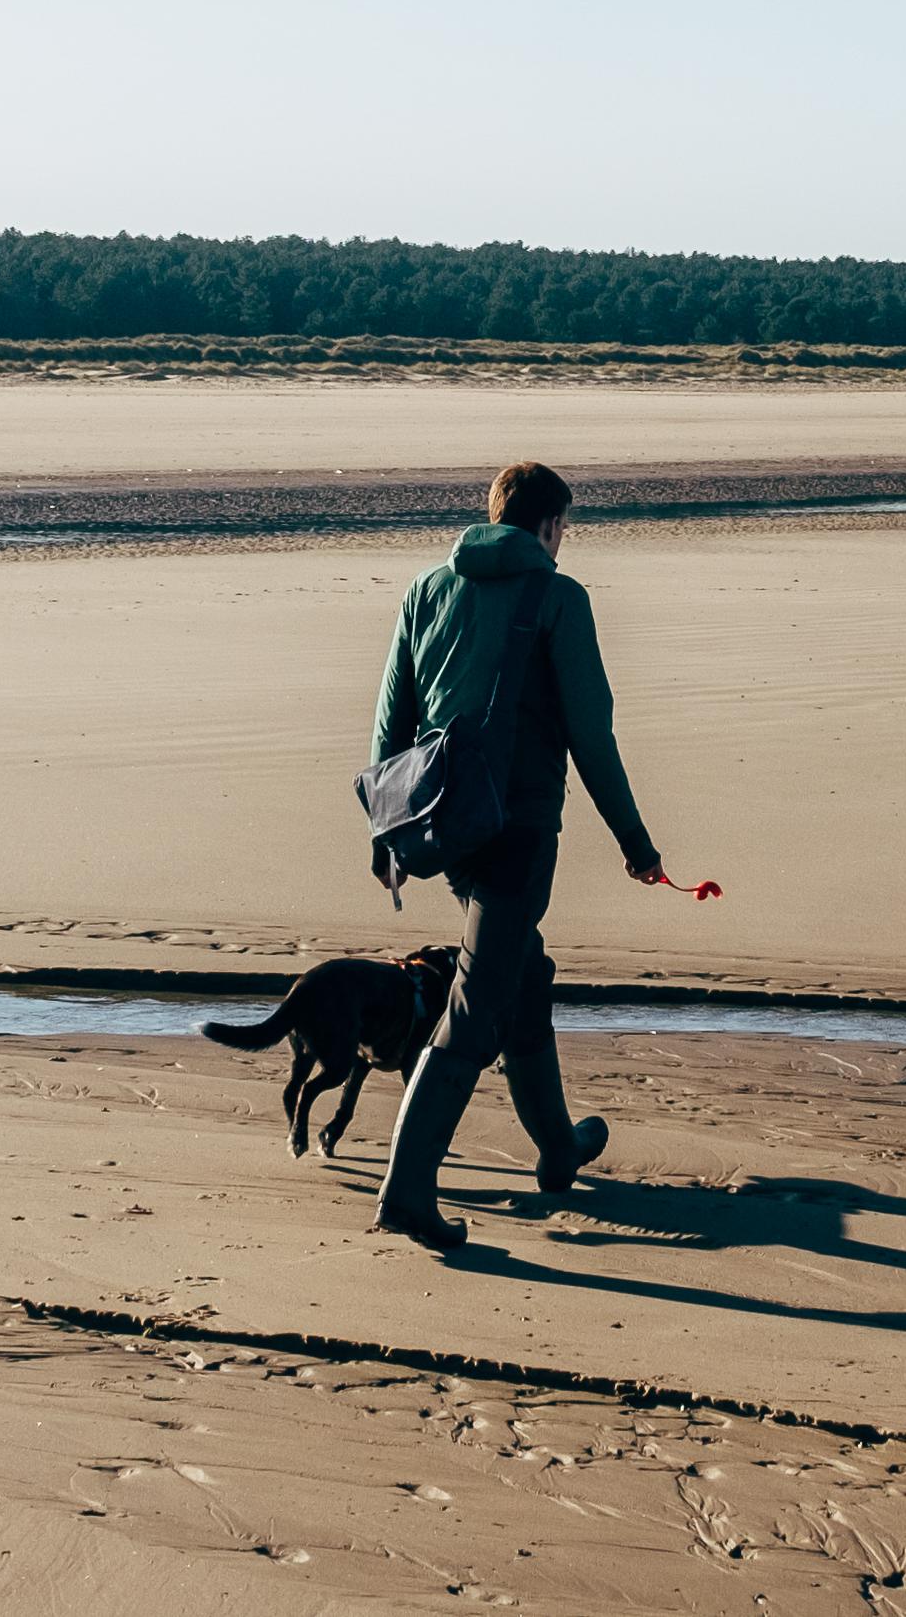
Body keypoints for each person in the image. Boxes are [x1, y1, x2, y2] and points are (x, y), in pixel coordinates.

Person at [362, 459, 668, 1250]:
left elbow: (391, 718)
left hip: (445, 823)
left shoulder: (426, 589)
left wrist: (386, 832)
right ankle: (405, 1192)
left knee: (522, 974)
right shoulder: (558, 598)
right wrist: (635, 843)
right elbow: (589, 735)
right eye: (565, 528)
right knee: (473, 1009)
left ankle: (558, 1147)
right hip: (519, 832)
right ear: (549, 524)